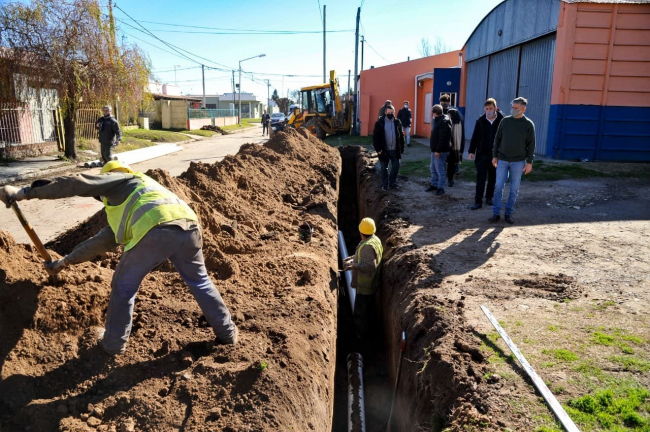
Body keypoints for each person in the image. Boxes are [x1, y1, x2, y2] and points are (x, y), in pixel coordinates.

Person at [0, 161, 238, 355]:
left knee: (123, 288)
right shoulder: (136, 196)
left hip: (156, 229)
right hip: (189, 228)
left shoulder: (124, 179)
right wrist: (63, 262)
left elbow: (77, 183)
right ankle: (227, 333)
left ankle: (113, 344)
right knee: (200, 282)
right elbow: (99, 243)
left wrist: (23, 193)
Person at [489, 97, 535, 224]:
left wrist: (529, 162)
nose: (513, 110)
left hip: (518, 161)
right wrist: (494, 156)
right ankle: (496, 213)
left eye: (516, 108)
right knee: (498, 186)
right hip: (502, 159)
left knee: (514, 188)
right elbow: (497, 139)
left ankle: (508, 213)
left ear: (523, 109)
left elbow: (531, 145)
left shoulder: (528, 124)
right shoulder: (505, 121)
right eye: (512, 107)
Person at [343, 217, 383, 340]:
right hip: (370, 284)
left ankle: (361, 337)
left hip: (365, 287)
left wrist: (354, 266)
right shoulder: (374, 239)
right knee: (367, 310)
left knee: (361, 313)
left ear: (360, 232)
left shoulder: (367, 246)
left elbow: (371, 266)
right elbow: (363, 257)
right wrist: (352, 259)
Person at [468, 98, 504, 210]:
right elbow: (474, 136)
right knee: (481, 178)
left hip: (495, 155)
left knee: (493, 177)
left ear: (495, 108)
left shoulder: (502, 120)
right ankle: (478, 201)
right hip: (482, 154)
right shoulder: (481, 121)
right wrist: (471, 151)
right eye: (486, 109)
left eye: (491, 108)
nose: (488, 111)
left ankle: (489, 197)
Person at [372, 105, 405, 192]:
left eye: (392, 112)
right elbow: (375, 137)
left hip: (395, 150)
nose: (390, 114)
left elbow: (401, 136)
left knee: (396, 166)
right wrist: (378, 149)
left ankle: (392, 182)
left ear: (394, 112)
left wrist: (402, 148)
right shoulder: (380, 123)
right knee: (384, 168)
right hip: (384, 150)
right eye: (389, 112)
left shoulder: (397, 122)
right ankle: (384, 185)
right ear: (385, 112)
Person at [426, 104, 452, 196]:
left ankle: (441, 187)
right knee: (433, 168)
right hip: (435, 149)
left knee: (440, 169)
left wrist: (438, 150)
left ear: (434, 113)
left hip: (440, 151)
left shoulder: (443, 122)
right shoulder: (437, 120)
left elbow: (443, 138)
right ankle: (434, 184)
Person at [440, 94, 464, 188]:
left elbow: (460, 123)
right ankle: (443, 178)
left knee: (452, 162)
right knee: (442, 162)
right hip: (445, 140)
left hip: (454, 140)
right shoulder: (440, 111)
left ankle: (450, 178)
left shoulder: (455, 112)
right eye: (442, 102)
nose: (443, 104)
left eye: (445, 102)